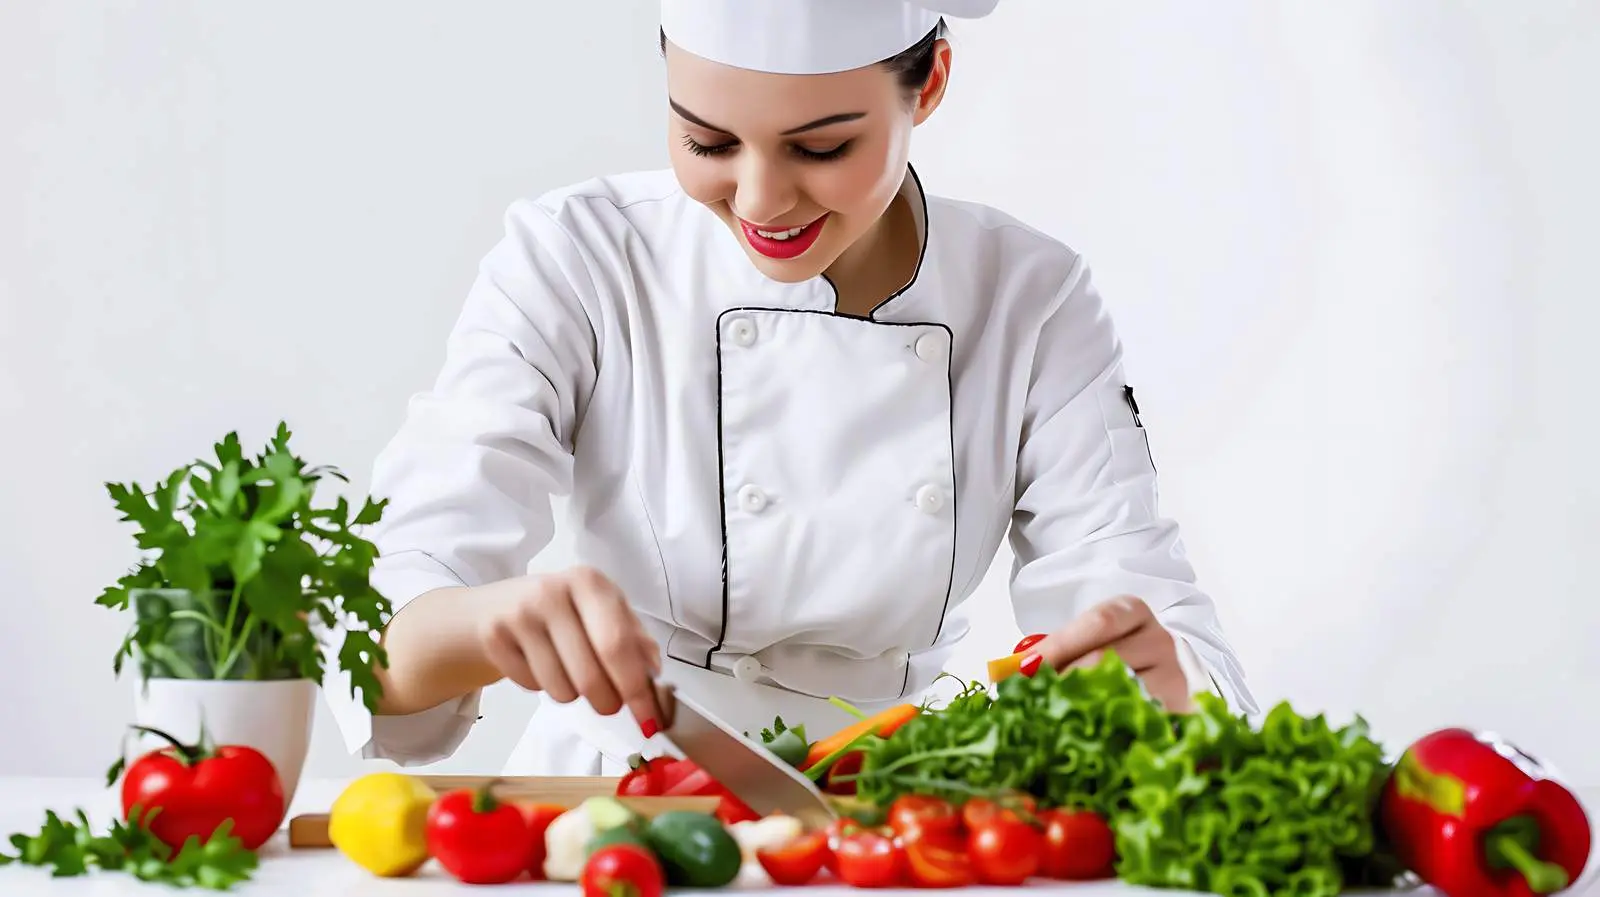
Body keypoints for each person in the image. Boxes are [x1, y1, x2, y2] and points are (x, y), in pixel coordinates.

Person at [325, 0, 1258, 776]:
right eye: (706, 141)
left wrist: (1160, 680)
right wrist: (483, 620)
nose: (762, 199)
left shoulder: (1031, 297)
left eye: (821, 148)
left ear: (929, 82)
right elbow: (392, 611)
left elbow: (1136, 588)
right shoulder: (578, 256)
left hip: (886, 804)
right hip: (613, 803)